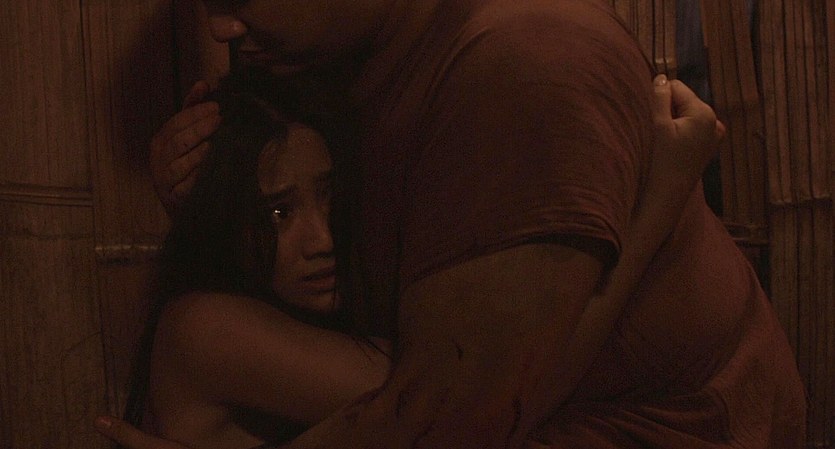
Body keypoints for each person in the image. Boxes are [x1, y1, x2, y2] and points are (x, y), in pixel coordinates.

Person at [99, 0, 806, 447]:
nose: (219, 26)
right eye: (277, 212)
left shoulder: (518, 66)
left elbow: (458, 416)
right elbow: (457, 409)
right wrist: (659, 202)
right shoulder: (338, 72)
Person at [124, 78, 390, 448]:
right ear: (225, 220)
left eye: (327, 195)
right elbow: (437, 382)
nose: (323, 240)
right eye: (280, 212)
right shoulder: (203, 326)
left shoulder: (286, 318)